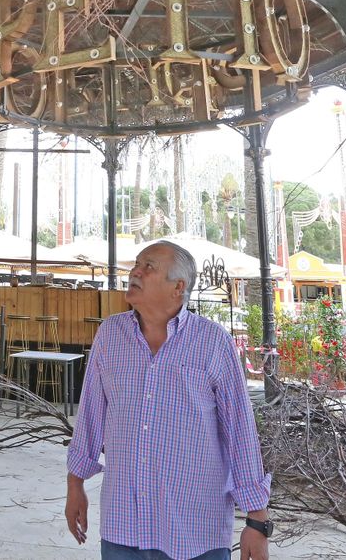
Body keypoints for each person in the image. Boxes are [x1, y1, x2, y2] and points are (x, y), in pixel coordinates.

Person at [65, 240, 273, 560]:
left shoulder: (213, 342)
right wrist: (75, 483)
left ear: (178, 287)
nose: (135, 271)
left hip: (195, 530)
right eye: (137, 264)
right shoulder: (110, 334)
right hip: (125, 526)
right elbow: (91, 414)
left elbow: (240, 432)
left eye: (149, 266)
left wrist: (257, 522)